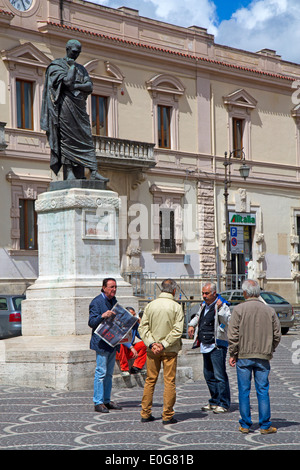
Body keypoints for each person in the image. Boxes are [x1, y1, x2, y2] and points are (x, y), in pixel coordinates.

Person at [41, 39, 108, 182]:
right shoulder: (56, 66)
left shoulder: (82, 68)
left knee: (86, 137)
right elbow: (66, 82)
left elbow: (89, 87)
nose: (77, 55)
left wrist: (76, 86)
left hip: (80, 108)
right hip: (65, 107)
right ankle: (69, 171)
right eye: (74, 52)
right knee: (68, 139)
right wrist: (71, 69)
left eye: (79, 52)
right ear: (67, 49)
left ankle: (93, 170)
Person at [228, 279, 281, 434]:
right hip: (263, 356)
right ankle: (265, 425)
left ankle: (245, 424)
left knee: (244, 390)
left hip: (243, 355)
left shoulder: (238, 309)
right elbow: (277, 335)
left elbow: (233, 335)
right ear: (258, 292)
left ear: (245, 293)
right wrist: (270, 348)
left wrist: (233, 353)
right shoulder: (269, 310)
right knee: (263, 390)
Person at [138, 279, 184, 424]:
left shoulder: (150, 305)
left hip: (153, 350)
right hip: (169, 349)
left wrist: (152, 344)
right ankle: (167, 415)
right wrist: (163, 344)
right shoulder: (176, 307)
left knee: (150, 380)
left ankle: (145, 413)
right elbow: (178, 330)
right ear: (174, 290)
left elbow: (142, 328)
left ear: (161, 289)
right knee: (169, 382)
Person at [188, 282, 231, 413]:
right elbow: (198, 316)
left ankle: (224, 403)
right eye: (203, 293)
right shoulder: (203, 305)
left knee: (219, 375)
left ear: (214, 293)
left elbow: (227, 320)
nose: (204, 296)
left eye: (206, 293)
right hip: (205, 344)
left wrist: (220, 310)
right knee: (208, 375)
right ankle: (214, 400)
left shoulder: (222, 305)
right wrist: (191, 325)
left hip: (216, 344)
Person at [88, 277, 122, 413]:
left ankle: (106, 400)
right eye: (111, 287)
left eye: (115, 287)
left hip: (112, 342)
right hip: (101, 343)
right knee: (101, 373)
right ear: (103, 288)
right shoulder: (96, 302)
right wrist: (102, 315)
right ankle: (98, 402)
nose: (114, 289)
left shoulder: (114, 300)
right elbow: (91, 322)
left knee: (109, 374)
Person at [116, 307, 147, 376]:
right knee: (120, 344)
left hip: (129, 351)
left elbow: (141, 336)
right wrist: (131, 347)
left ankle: (136, 367)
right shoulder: (119, 324)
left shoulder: (134, 324)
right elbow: (121, 338)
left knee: (145, 343)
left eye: (134, 315)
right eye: (131, 315)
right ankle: (124, 369)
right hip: (119, 352)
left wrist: (140, 325)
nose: (133, 317)